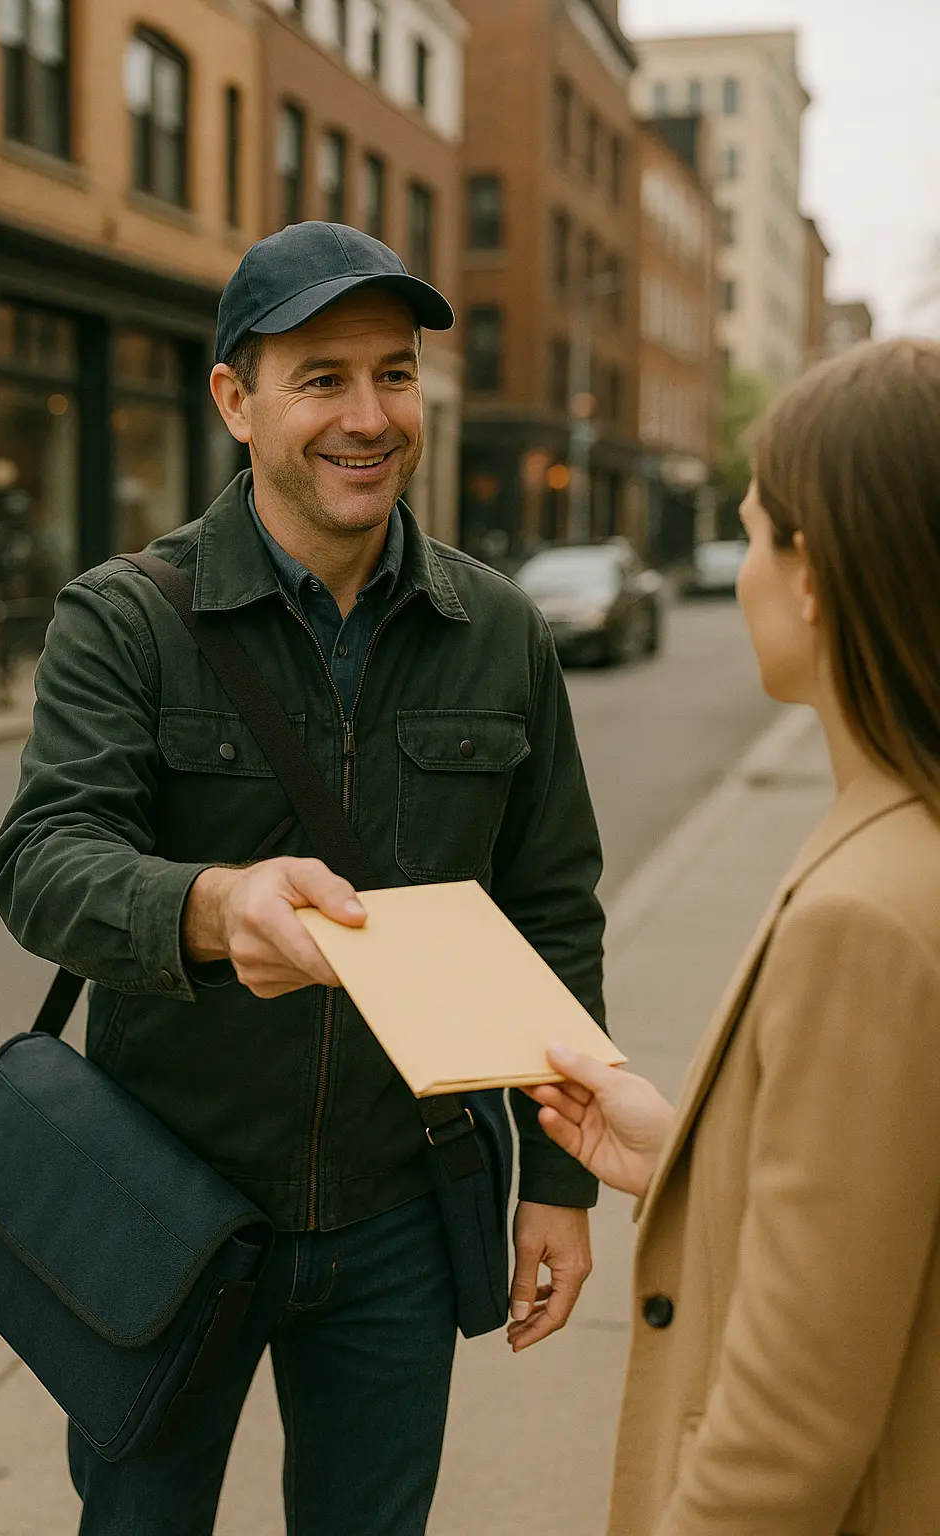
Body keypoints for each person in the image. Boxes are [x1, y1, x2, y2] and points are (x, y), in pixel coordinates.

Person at [0, 222, 605, 1536]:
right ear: (235, 399)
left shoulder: (496, 630)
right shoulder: (125, 618)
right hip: (168, 1204)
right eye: (322, 377)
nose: (368, 415)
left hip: (403, 1203)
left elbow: (554, 911)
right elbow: (45, 863)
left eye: (394, 373)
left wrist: (557, 1185)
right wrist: (211, 910)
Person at [531, 338, 940, 1535]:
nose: (746, 570)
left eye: (757, 535)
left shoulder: (864, 918)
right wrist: (695, 1154)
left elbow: (788, 1426)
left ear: (813, 575)